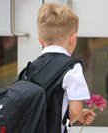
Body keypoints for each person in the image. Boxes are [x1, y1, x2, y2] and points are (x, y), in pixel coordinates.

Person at [37, 3, 96, 133]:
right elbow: (74, 112)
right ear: (73, 39)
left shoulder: (32, 66)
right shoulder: (72, 68)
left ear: (40, 40)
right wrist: (77, 114)